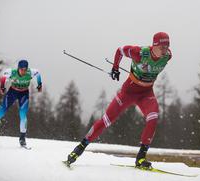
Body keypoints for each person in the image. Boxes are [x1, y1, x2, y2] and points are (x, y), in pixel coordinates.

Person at [66, 32, 172, 168]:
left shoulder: (168, 56)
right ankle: (80, 148)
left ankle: (140, 158)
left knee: (153, 117)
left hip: (146, 93)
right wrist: (115, 67)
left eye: (167, 46)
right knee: (106, 120)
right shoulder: (139, 53)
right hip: (128, 92)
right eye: (162, 47)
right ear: (154, 45)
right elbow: (120, 50)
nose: (165, 50)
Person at [0, 59, 42, 146]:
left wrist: (39, 84)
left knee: (23, 115)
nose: (23, 71)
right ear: (18, 68)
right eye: (21, 69)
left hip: (24, 94)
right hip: (12, 92)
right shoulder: (12, 72)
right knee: (0, 113)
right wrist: (2, 87)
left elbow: (38, 74)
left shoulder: (31, 72)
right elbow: (3, 78)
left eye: (25, 69)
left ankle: (22, 138)